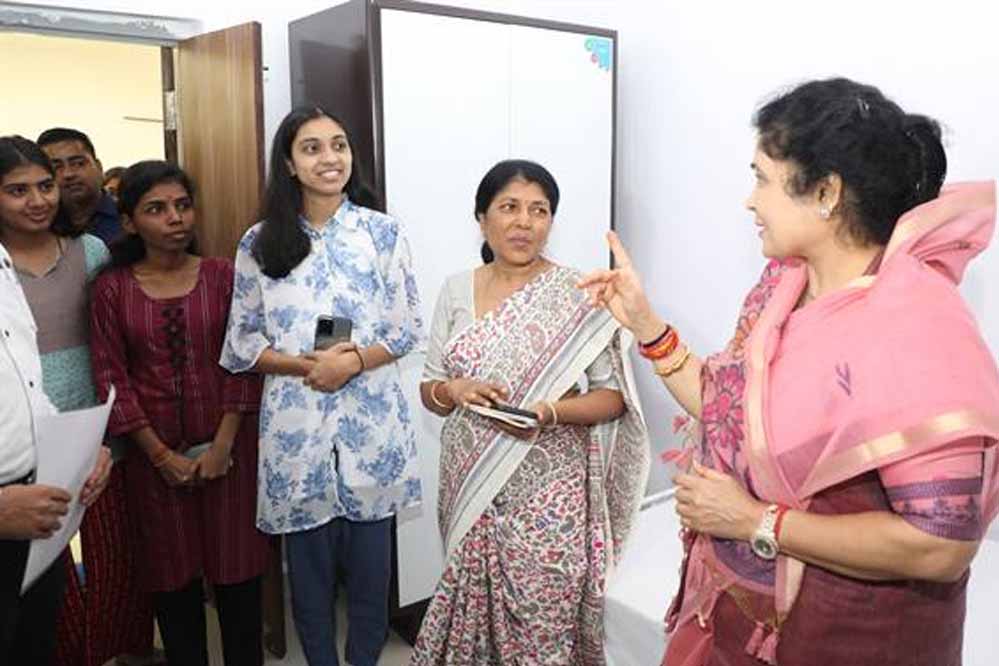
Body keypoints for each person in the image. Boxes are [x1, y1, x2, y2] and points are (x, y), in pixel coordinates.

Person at [578, 78, 999, 665]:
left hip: (850, 640)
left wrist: (755, 519)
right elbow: (729, 412)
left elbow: (940, 545)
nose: (750, 202)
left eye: (762, 179)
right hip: (738, 618)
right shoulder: (784, 287)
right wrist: (646, 324)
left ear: (826, 192)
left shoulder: (918, 329)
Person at [409, 160, 650, 665]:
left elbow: (612, 398)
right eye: (509, 207)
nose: (524, 222)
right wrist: (454, 389)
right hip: (472, 480)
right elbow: (430, 388)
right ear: (482, 219)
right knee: (473, 621)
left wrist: (548, 411)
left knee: (545, 622)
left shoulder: (579, 292)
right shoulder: (456, 290)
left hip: (550, 492)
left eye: (539, 211)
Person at [221, 105, 424, 666]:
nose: (329, 158)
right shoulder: (260, 242)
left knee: (371, 577)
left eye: (339, 144)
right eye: (311, 148)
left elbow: (407, 328)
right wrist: (305, 367)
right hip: (297, 425)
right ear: (288, 163)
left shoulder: (382, 233)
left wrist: (353, 362)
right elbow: (241, 342)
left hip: (372, 426)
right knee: (308, 582)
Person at [90, 160, 270, 666]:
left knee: (240, 588)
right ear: (129, 222)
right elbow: (111, 378)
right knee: (174, 593)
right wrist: (160, 456)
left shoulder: (223, 276)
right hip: (153, 466)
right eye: (156, 209)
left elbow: (244, 362)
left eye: (183, 205)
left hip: (230, 457)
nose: (175, 218)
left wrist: (223, 445)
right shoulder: (112, 289)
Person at [0, 135, 155, 666]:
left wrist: (102, 437)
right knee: (43, 578)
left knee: (109, 561)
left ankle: (115, 652)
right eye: (17, 190)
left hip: (85, 430)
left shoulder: (88, 251)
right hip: (21, 453)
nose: (38, 200)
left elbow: (110, 343)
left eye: (44, 186)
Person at [37, 128, 121, 245]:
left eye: (78, 163)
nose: (68, 174)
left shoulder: (129, 219)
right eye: (56, 167)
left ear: (99, 167)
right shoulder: (36, 224)